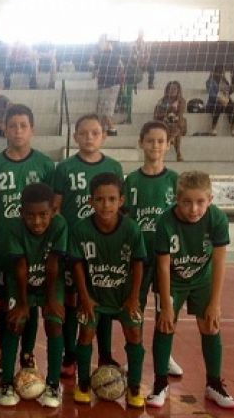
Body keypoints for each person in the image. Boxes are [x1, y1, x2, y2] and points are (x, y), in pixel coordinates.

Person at [146, 171, 234, 409]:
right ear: (177, 199)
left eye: (200, 202)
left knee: (210, 325)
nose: (194, 209)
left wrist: (215, 303)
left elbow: (219, 262)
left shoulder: (217, 219)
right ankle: (159, 384)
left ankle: (214, 384)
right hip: (172, 280)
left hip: (202, 279)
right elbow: (163, 267)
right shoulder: (165, 222)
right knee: (165, 325)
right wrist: (166, 306)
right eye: (187, 202)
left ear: (210, 200)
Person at [0, 104, 55, 402]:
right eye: (12, 125)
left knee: (33, 301)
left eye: (23, 125)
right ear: (4, 129)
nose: (17, 131)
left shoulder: (45, 165)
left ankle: (27, 354)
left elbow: (50, 207)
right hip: (5, 244)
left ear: (32, 129)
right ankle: (5, 355)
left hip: (37, 247)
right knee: (7, 302)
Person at [52, 114, 123, 377]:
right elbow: (56, 207)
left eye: (95, 133)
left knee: (102, 298)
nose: (89, 137)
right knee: (72, 299)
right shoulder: (65, 168)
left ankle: (105, 354)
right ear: (75, 136)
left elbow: (120, 207)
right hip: (74, 245)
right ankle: (69, 354)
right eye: (83, 133)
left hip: (104, 247)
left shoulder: (114, 167)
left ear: (104, 135)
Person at [70, 172, 147, 408]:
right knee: (85, 333)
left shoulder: (131, 229)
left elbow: (138, 263)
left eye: (112, 199)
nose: (106, 205)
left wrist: (134, 298)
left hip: (124, 297)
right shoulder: (82, 229)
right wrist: (84, 297)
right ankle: (83, 383)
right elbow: (77, 264)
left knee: (134, 333)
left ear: (121, 200)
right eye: (100, 199)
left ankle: (134, 387)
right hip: (94, 297)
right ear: (90, 201)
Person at [124, 120, 183, 377]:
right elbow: (125, 219)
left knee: (164, 307)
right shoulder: (132, 180)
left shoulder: (175, 180)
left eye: (161, 141)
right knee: (134, 305)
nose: (155, 145)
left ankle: (165, 355)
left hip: (166, 259)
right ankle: (134, 353)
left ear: (169, 145)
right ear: (141, 143)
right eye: (150, 140)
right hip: (138, 257)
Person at [1, 183, 67, 407]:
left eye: (43, 215)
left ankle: (53, 384)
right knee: (16, 322)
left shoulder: (59, 225)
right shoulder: (14, 228)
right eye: (31, 215)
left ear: (53, 211)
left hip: (51, 281)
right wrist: (22, 303)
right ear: (21, 213)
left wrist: (50, 301)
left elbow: (53, 263)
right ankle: (7, 382)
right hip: (20, 282)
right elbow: (20, 265)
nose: (37, 221)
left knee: (54, 323)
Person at [94, 39, 122, 136]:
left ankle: (112, 128)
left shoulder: (111, 55)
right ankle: (102, 129)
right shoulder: (103, 56)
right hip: (105, 85)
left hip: (111, 85)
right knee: (102, 110)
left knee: (106, 110)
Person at [154, 81, 187, 161]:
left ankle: (171, 140)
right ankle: (178, 153)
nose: (172, 91)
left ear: (178, 90)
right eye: (170, 89)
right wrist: (170, 110)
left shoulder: (181, 101)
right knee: (172, 129)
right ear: (167, 90)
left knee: (179, 123)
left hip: (177, 123)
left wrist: (173, 116)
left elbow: (180, 114)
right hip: (164, 122)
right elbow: (156, 115)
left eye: (175, 89)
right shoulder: (162, 100)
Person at [204, 65, 234, 136]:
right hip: (213, 103)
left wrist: (231, 89)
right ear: (214, 72)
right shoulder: (209, 81)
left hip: (224, 102)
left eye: (222, 72)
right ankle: (213, 128)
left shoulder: (225, 82)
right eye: (219, 72)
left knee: (232, 106)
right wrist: (220, 99)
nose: (221, 74)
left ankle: (233, 129)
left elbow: (228, 92)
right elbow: (212, 95)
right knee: (217, 105)